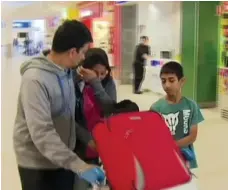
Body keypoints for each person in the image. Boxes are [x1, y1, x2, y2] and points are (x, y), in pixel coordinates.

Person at [13, 20, 98, 190]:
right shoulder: (35, 80)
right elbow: (42, 133)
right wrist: (80, 166)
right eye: (83, 52)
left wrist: (87, 139)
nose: (83, 58)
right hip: (38, 166)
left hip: (62, 158)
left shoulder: (66, 72)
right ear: (73, 52)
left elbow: (65, 115)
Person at [73, 48, 117, 189]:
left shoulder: (108, 83)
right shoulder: (74, 84)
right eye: (94, 73)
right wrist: (88, 139)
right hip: (80, 148)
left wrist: (95, 83)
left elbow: (110, 108)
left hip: (103, 145)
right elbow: (69, 119)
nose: (99, 77)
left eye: (103, 73)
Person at [150, 61, 204, 170]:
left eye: (171, 80)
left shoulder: (191, 105)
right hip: (164, 159)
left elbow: (192, 136)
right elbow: (154, 137)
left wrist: (172, 145)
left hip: (186, 158)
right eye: (163, 81)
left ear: (182, 81)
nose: (167, 85)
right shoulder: (156, 108)